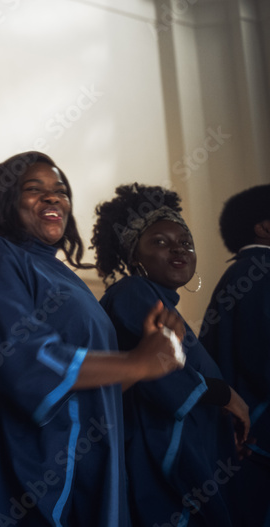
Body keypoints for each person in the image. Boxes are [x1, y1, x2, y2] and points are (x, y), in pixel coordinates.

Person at [0, 152, 187, 526]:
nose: (53, 197)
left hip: (88, 463)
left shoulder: (66, 277)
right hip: (24, 471)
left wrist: (152, 359)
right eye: (34, 189)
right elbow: (20, 362)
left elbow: (94, 388)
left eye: (60, 191)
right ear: (5, 198)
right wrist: (138, 360)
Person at [92, 183, 249, 526]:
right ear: (135, 256)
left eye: (185, 242)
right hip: (160, 466)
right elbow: (161, 376)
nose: (178, 249)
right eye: (160, 242)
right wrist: (226, 395)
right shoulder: (132, 291)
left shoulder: (162, 302)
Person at [200, 184, 270, 527]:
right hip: (259, 438)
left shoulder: (239, 273)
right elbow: (262, 360)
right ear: (265, 226)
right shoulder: (261, 273)